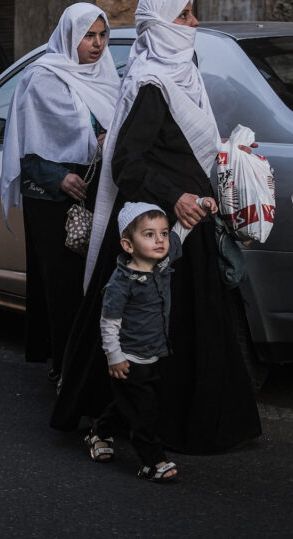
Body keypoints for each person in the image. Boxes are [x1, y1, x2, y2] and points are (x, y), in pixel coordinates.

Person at [52, 0, 262, 453]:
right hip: (159, 228)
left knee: (193, 326)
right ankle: (132, 422)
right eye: (184, 15)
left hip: (192, 224)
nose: (193, 21)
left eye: (191, 13)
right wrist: (175, 195)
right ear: (160, 25)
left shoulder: (186, 74)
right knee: (149, 327)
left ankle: (191, 420)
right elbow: (128, 163)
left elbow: (185, 148)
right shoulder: (149, 84)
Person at [0, 3, 122, 385]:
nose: (97, 44)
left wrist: (108, 139)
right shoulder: (41, 78)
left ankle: (88, 365)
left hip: (98, 193)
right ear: (70, 36)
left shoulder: (108, 76)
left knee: (96, 285)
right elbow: (26, 148)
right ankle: (63, 366)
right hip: (52, 200)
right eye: (89, 35)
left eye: (102, 35)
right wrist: (58, 177)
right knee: (63, 285)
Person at [87, 201, 213, 483]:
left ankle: (99, 431)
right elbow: (109, 322)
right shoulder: (122, 282)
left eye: (163, 233)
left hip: (154, 354)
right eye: (149, 234)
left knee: (127, 405)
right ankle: (152, 462)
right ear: (128, 245)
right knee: (144, 413)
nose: (160, 240)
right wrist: (114, 356)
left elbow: (184, 229)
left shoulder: (163, 263)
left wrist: (202, 205)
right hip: (128, 360)